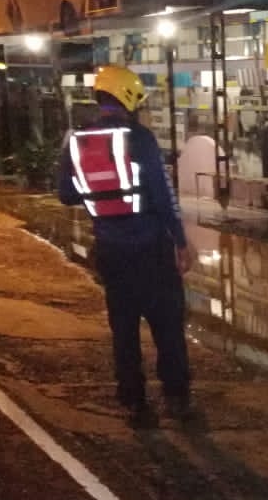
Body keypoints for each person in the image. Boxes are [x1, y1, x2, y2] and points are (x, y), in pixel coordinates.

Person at [58, 65, 195, 423]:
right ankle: (176, 396)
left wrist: (103, 194)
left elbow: (67, 194)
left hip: (110, 250)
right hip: (152, 250)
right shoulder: (141, 139)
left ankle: (133, 400)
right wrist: (180, 240)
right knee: (167, 325)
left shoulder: (77, 141)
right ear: (128, 96)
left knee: (124, 328)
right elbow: (164, 196)